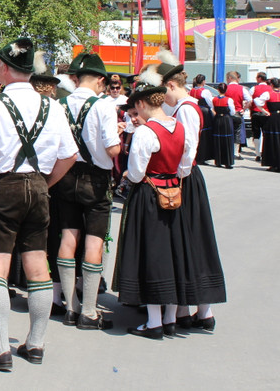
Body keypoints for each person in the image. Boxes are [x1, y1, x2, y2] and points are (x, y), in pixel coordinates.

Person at [0, 40, 78, 370]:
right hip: (38, 185)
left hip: (3, 186)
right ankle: (35, 344)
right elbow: (69, 155)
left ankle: (0, 349)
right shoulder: (52, 105)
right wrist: (45, 183)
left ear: (4, 68)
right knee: (37, 264)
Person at [112, 74, 190, 340]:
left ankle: (154, 321)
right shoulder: (179, 127)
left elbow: (135, 173)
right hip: (174, 193)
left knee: (151, 253)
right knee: (171, 251)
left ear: (142, 104)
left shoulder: (146, 132)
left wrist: (130, 176)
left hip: (149, 194)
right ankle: (170, 318)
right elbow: (185, 166)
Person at [156, 52, 226, 331]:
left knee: (192, 240)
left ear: (171, 85)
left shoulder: (185, 108)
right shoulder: (185, 106)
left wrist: (176, 178)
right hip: (184, 176)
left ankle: (199, 309)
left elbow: (187, 149)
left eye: (163, 92)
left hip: (184, 177)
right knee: (189, 240)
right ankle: (191, 309)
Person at [51, 52, 120, 331]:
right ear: (100, 80)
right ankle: (89, 312)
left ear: (76, 78)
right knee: (94, 242)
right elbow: (112, 149)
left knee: (68, 237)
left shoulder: (60, 104)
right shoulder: (104, 106)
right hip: (96, 179)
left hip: (66, 175)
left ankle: (71, 308)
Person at [224, 72, 251, 156]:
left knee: (227, 132)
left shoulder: (226, 88)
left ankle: (227, 150)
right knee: (237, 133)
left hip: (227, 113)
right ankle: (236, 152)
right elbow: (250, 100)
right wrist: (244, 109)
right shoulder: (242, 89)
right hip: (238, 112)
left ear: (230, 78)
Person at [210, 83, 236, 169]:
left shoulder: (214, 99)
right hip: (226, 119)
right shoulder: (229, 100)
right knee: (227, 140)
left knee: (218, 140)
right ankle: (227, 162)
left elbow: (212, 108)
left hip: (217, 119)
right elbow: (233, 112)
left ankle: (218, 161)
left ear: (218, 90)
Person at [190, 75, 213, 164]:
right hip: (203, 112)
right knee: (205, 133)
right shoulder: (205, 91)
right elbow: (210, 103)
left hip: (194, 110)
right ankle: (203, 155)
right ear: (203, 81)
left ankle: (196, 155)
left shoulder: (192, 91)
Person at [250, 72, 272, 162]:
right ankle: (264, 152)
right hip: (266, 113)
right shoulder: (270, 88)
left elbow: (250, 100)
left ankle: (257, 154)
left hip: (255, 112)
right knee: (265, 133)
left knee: (256, 134)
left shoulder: (254, 88)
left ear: (259, 78)